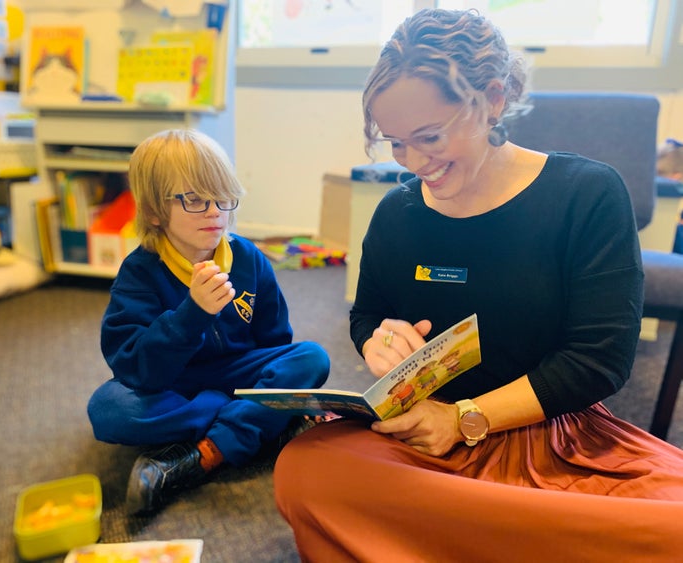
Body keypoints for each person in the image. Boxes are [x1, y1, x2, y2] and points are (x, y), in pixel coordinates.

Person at [274, 9, 683, 562]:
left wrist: (466, 419)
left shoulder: (586, 194)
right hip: (422, 435)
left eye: (430, 136)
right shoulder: (396, 212)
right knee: (306, 470)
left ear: (492, 98)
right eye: (395, 143)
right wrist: (379, 340)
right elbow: (367, 313)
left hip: (549, 435)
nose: (415, 163)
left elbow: (599, 361)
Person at [87, 129, 330, 515]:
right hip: (174, 383)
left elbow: (276, 344)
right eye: (195, 200)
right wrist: (191, 315)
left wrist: (276, 377)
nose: (216, 211)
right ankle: (251, 422)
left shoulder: (248, 258)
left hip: (238, 372)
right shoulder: (140, 272)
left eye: (222, 197)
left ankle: (211, 447)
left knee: (311, 358)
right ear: (153, 212)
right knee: (109, 409)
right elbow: (135, 369)